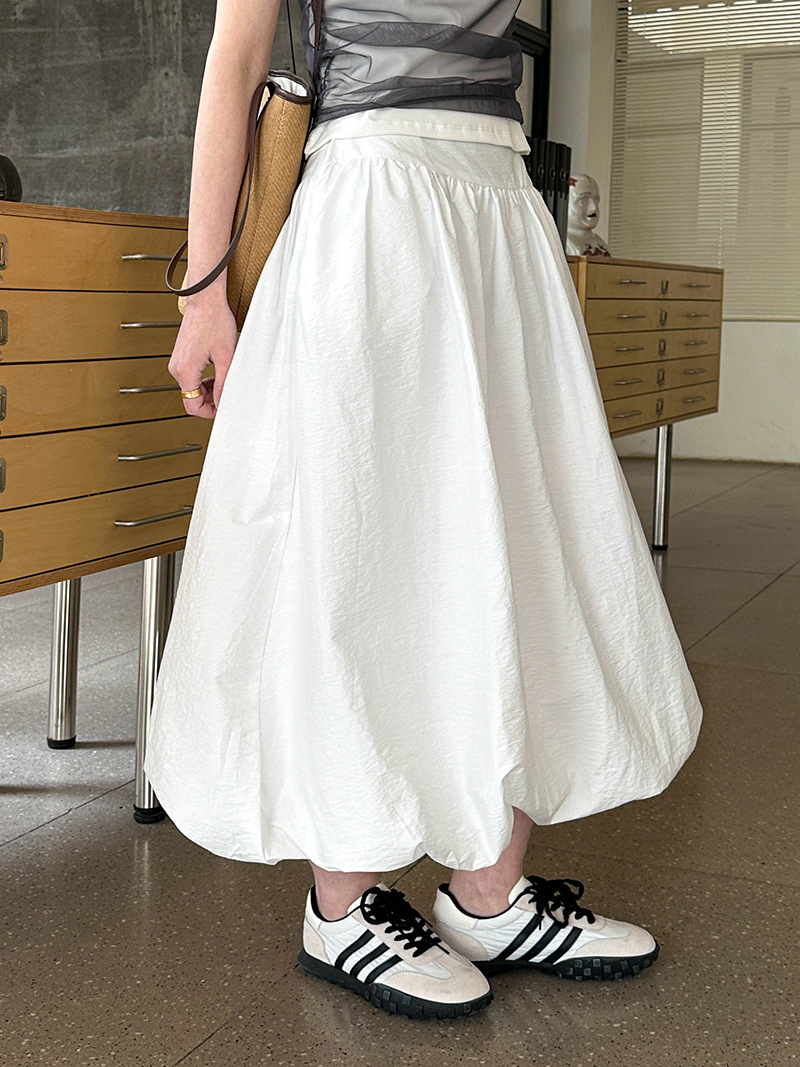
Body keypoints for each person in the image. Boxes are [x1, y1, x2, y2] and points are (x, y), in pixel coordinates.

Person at [144, 0, 703, 1021]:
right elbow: (237, 55)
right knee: (366, 538)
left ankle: (490, 892)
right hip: (373, 197)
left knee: (525, 538)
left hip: (499, 198)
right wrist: (204, 293)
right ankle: (343, 904)